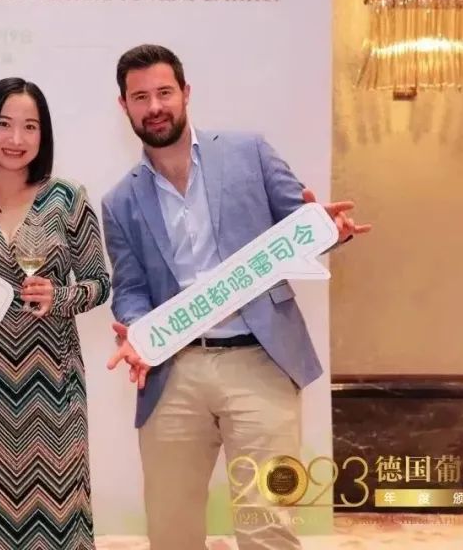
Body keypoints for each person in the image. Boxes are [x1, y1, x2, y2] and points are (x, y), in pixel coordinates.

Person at [101, 44, 370, 550]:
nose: (154, 106)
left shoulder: (250, 152)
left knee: (269, 524)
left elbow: (302, 225)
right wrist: (136, 331)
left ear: (186, 92)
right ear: (124, 106)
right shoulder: (120, 200)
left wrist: (329, 230)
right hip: (173, 372)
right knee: (171, 529)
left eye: (164, 92)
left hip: (261, 360)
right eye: (140, 97)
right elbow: (131, 288)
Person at [0, 77, 111, 550]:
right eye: (4, 124)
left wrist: (60, 297)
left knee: (60, 516)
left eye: (30, 126)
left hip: (53, 389)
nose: (16, 138)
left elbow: (99, 283)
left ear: (43, 135)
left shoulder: (67, 198)